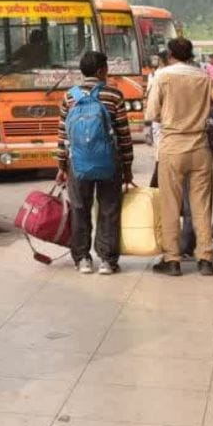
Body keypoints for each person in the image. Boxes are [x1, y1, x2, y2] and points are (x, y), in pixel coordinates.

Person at [145, 37, 213, 276]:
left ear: (170, 55)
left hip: (172, 147)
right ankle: (205, 259)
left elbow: (151, 113)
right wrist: (206, 115)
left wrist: (169, 118)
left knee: (170, 205)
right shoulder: (203, 77)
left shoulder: (162, 77)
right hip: (200, 147)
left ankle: (172, 259)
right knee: (200, 206)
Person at [56, 51, 134, 275]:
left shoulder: (69, 97)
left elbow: (63, 135)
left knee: (80, 208)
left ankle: (82, 258)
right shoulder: (114, 95)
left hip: (77, 163)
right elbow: (124, 134)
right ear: (101, 70)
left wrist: (62, 166)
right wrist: (127, 166)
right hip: (109, 162)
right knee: (109, 209)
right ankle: (107, 260)